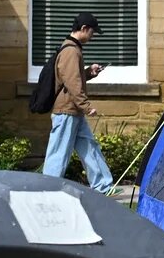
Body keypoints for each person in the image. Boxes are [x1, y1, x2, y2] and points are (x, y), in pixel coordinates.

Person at [40, 12, 114, 191]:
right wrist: (86, 106)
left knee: (89, 146)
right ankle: (47, 188)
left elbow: (73, 78)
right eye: (92, 32)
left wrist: (89, 72)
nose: (93, 36)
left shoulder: (72, 49)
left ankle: (103, 186)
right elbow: (72, 83)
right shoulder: (71, 51)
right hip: (66, 110)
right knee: (59, 152)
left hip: (73, 110)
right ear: (84, 29)